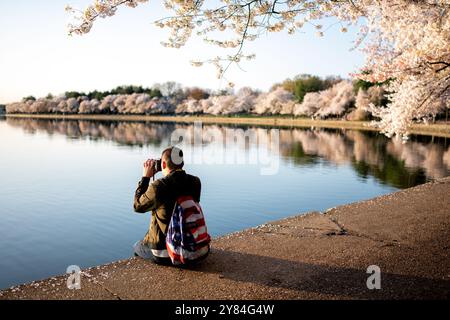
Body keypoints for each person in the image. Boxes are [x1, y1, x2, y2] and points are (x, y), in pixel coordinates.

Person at [133, 146, 204, 265]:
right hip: (194, 249)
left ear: (164, 165)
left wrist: (145, 178)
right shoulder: (195, 181)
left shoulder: (158, 186)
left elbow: (137, 206)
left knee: (137, 246)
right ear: (182, 163)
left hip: (166, 254)